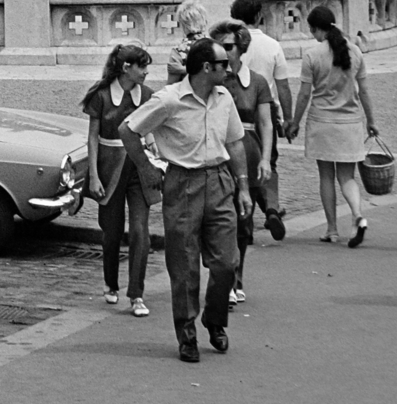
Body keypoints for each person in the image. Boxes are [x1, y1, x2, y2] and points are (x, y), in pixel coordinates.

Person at [119, 37, 251, 362]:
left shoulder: (224, 98)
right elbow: (128, 130)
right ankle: (187, 333)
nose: (229, 68)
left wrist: (244, 186)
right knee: (184, 265)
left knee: (226, 262)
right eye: (223, 64)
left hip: (219, 181)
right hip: (183, 183)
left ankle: (215, 319)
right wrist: (146, 168)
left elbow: (235, 142)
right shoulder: (169, 100)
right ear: (206, 67)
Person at [286, 6, 379, 246]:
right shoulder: (355, 52)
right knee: (347, 177)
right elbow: (364, 91)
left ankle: (332, 229)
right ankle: (357, 215)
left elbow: (304, 95)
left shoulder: (312, 56)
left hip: (322, 122)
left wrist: (295, 122)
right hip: (350, 122)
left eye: (312, 30)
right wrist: (371, 121)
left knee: (326, 176)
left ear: (317, 29)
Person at [82, 43, 156, 317]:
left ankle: (136, 294)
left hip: (138, 168)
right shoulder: (101, 96)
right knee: (111, 232)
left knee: (140, 231)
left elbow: (150, 130)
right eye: (142, 66)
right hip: (109, 168)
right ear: (127, 68)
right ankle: (110, 282)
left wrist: (154, 154)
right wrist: (93, 175)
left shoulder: (147, 95)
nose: (146, 72)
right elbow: (92, 137)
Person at [219, 21, 275, 304]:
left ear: (241, 48)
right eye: (219, 47)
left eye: (228, 47)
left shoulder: (257, 82)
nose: (223, 52)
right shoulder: (212, 80)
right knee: (222, 221)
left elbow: (265, 123)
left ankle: (237, 278)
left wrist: (265, 159)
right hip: (218, 154)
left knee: (243, 221)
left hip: (248, 153)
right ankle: (225, 279)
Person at [227, 0, 291, 241]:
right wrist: (288, 118)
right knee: (267, 162)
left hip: (235, 106)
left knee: (237, 163)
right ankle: (272, 208)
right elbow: (282, 86)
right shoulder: (272, 45)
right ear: (259, 16)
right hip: (265, 108)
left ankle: (246, 221)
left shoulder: (231, 44)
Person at [165, 0, 212, 82]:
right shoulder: (215, 46)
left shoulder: (179, 51)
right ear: (204, 21)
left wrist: (183, 70)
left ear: (183, 24)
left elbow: (171, 84)